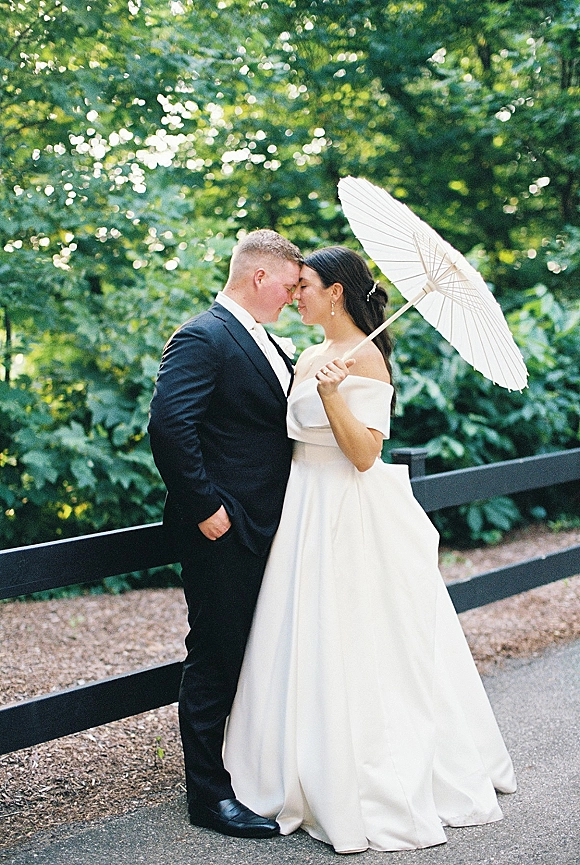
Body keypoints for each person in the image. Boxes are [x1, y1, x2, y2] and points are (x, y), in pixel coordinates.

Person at [224, 246, 517, 853]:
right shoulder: (307, 354)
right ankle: (290, 762)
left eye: (304, 285)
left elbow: (364, 456)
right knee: (298, 632)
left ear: (335, 293)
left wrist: (335, 396)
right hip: (301, 507)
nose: (295, 294)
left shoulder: (369, 363)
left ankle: (360, 771)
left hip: (346, 510)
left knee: (355, 635)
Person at [147, 229, 303, 838]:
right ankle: (208, 798)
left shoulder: (269, 342)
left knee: (258, 653)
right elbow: (169, 425)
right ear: (260, 276)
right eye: (291, 284)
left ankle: (249, 772)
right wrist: (205, 505)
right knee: (215, 655)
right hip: (224, 530)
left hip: (272, 525)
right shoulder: (203, 335)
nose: (294, 296)